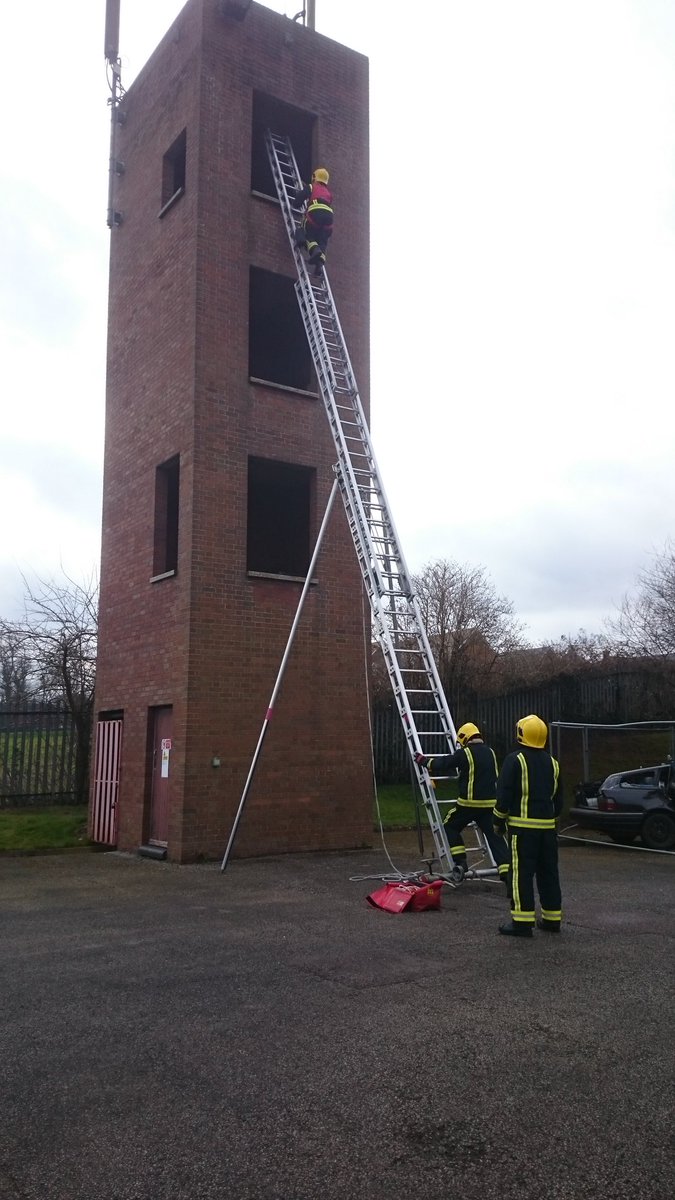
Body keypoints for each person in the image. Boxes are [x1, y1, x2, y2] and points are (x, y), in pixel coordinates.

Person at [415, 723, 510, 887]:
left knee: (449, 825)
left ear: (464, 738)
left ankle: (460, 862)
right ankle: (508, 874)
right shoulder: (491, 752)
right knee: (495, 837)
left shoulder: (465, 753)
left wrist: (424, 761)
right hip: (490, 806)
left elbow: (443, 763)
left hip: (468, 804)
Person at [493, 714, 563, 938]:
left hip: (522, 832)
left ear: (522, 734)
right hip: (548, 832)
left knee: (521, 875)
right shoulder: (553, 763)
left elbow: (504, 793)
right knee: (548, 874)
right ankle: (552, 919)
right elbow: (558, 801)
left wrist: (498, 821)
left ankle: (522, 923)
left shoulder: (515, 760)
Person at [293, 167, 334, 276]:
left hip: (315, 214)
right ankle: (319, 263)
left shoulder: (311, 187)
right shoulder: (328, 193)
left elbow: (299, 199)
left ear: (315, 177)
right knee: (322, 241)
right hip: (329, 219)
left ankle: (315, 250)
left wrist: (295, 204)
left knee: (307, 234)